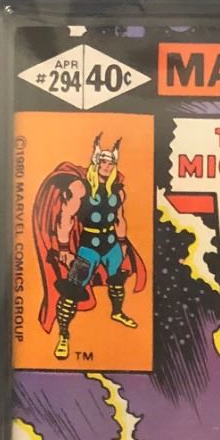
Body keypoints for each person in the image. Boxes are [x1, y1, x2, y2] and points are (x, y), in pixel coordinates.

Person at [34, 133, 145, 358]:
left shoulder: (117, 191)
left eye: (110, 163)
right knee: (72, 290)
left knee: (117, 280)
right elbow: (66, 217)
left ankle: (117, 312)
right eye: (103, 162)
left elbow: (119, 218)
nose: (106, 166)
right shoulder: (81, 188)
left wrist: (122, 242)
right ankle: (63, 335)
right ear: (96, 162)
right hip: (88, 248)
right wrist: (63, 249)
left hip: (112, 245)